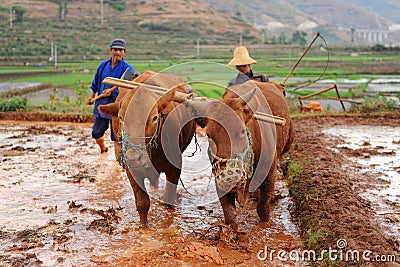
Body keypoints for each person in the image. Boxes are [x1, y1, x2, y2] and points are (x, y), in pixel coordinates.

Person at [87, 38, 135, 154]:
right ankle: (103, 149)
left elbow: (129, 88)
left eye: (120, 50)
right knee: (96, 133)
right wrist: (91, 97)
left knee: (117, 138)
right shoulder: (103, 66)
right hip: (102, 106)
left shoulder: (128, 69)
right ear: (111, 50)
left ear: (124, 52)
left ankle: (118, 162)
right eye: (115, 49)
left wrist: (114, 90)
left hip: (117, 108)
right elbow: (95, 83)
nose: (117, 52)